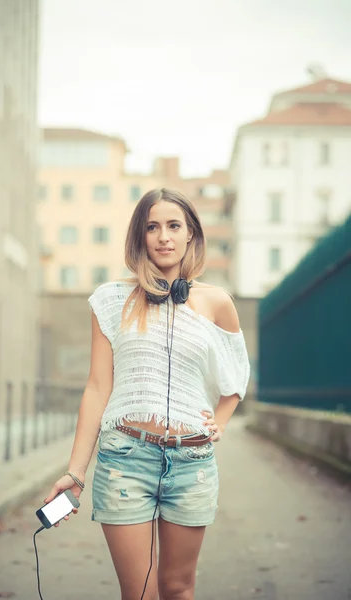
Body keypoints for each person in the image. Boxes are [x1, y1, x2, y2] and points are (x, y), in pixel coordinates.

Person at [44, 188, 250, 600]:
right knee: (139, 593)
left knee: (178, 588)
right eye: (152, 227)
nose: (163, 237)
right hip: (125, 460)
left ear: (191, 233)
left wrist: (219, 423)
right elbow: (98, 387)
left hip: (192, 463)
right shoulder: (111, 299)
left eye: (174, 226)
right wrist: (77, 471)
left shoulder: (217, 303)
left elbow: (237, 379)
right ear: (140, 237)